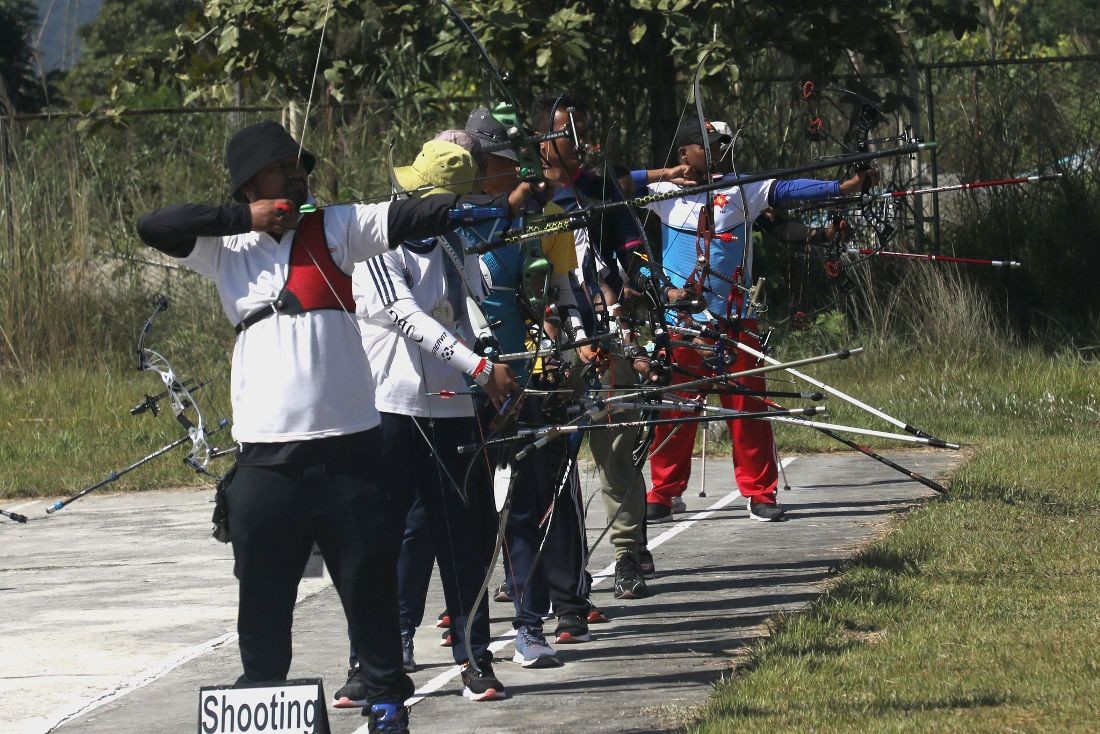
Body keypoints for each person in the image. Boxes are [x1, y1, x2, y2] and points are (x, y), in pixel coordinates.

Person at [135, 121, 535, 733]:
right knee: (263, 601)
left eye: (302, 168)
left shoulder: (337, 226)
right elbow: (154, 225)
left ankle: (386, 704)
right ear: (250, 184)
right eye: (283, 169)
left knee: (368, 589)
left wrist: (464, 206)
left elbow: (404, 219)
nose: (299, 177)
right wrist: (249, 218)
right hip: (266, 462)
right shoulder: (225, 250)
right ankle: (264, 702)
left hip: (348, 452)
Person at [632, 119, 876, 524]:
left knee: (748, 407)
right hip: (682, 322)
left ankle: (759, 491)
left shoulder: (742, 187)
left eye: (725, 145)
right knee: (676, 408)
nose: (721, 152)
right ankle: (665, 491)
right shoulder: (662, 194)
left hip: (734, 318)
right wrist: (669, 176)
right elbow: (609, 184)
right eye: (710, 146)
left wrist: (845, 187)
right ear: (683, 155)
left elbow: (790, 188)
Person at [463, 107, 592, 664]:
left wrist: (571, 345)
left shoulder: (548, 218)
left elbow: (565, 291)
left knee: (532, 498)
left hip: (527, 377)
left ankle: (533, 620)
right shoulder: (455, 219)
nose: (495, 172)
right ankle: (462, 617)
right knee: (460, 508)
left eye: (498, 163)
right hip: (468, 379)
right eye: (492, 163)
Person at [531, 92, 651, 602]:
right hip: (547, 338)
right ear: (543, 143)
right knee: (546, 453)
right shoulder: (528, 199)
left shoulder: (600, 190)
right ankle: (541, 562)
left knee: (615, 445)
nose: (579, 143)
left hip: (605, 332)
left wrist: (642, 279)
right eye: (567, 132)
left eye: (583, 131)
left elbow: (634, 249)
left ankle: (626, 553)